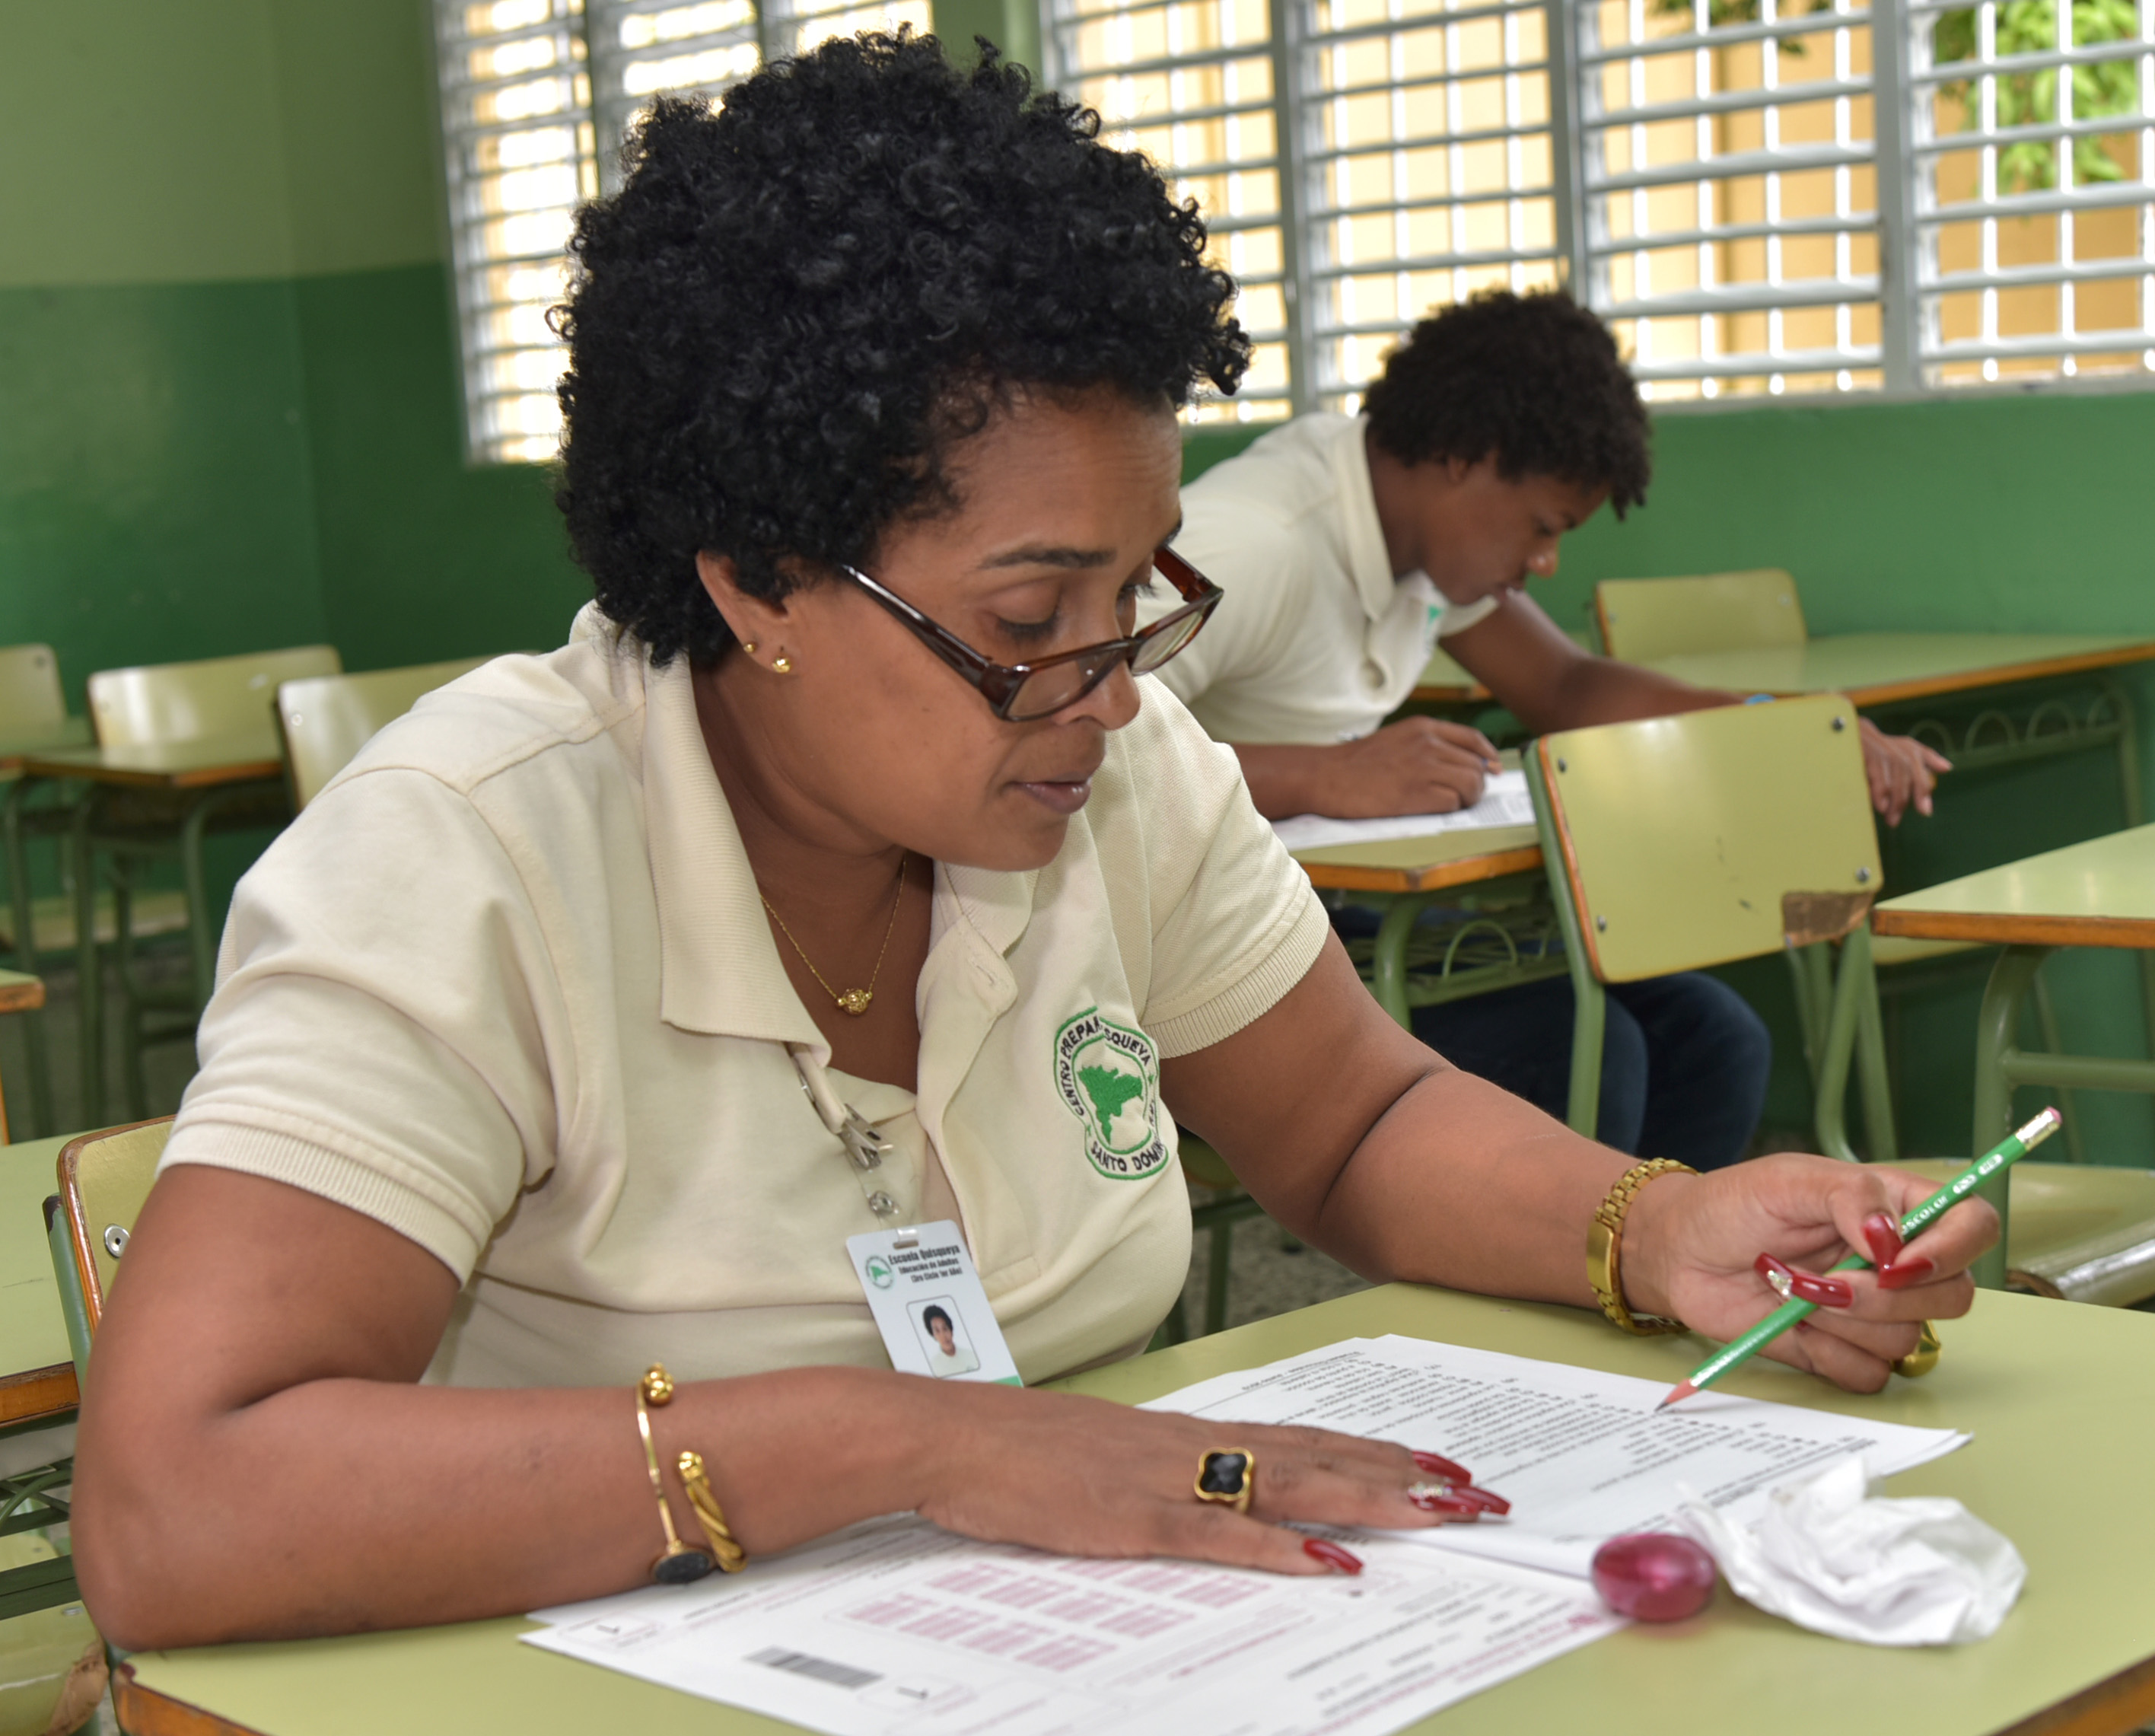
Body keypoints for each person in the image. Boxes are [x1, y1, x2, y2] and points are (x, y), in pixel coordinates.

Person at [72, 33, 1991, 1652]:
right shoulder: (469, 853)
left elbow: (1351, 1120)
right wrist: (911, 1439)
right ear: (754, 578)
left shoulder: (1117, 774)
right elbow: (176, 1507)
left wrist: (1653, 1224)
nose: (1110, 687)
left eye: (1137, 593)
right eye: (1024, 617)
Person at [1144, 291, 1955, 1170]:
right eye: (1542, 527)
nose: (1545, 562)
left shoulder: (1413, 532)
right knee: (1583, 1054)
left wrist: (1781, 730)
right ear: (1465, 457)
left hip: (1329, 911)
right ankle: (1552, 1252)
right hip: (1196, 952)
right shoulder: (1256, 544)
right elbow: (1096, 741)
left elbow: (1567, 686)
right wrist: (1326, 775)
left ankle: (1656, 1256)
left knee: (1715, 1041)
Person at [921, 1305, 980, 1377]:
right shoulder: (934, 1367)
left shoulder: (971, 1355)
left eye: (945, 1329)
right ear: (934, 1335)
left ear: (951, 1330)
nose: (943, 1336)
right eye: (937, 1331)